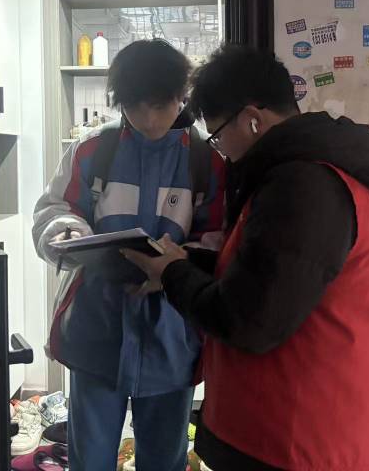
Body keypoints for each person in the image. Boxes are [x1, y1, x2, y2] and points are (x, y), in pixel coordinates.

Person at [123, 44, 369, 471]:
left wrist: (173, 274)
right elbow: (271, 277)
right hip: (301, 430)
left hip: (295, 440)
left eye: (218, 136)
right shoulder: (307, 173)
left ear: (252, 119)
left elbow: (249, 320)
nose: (221, 151)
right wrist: (190, 263)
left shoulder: (304, 186)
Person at [32, 39, 226, 471]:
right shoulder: (92, 150)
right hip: (96, 329)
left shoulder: (205, 161)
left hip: (172, 333)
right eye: (136, 106)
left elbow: (219, 237)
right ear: (120, 102)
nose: (149, 119)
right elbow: (54, 209)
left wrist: (176, 265)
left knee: (164, 459)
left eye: (160, 105)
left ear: (181, 97)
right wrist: (67, 232)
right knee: (90, 459)